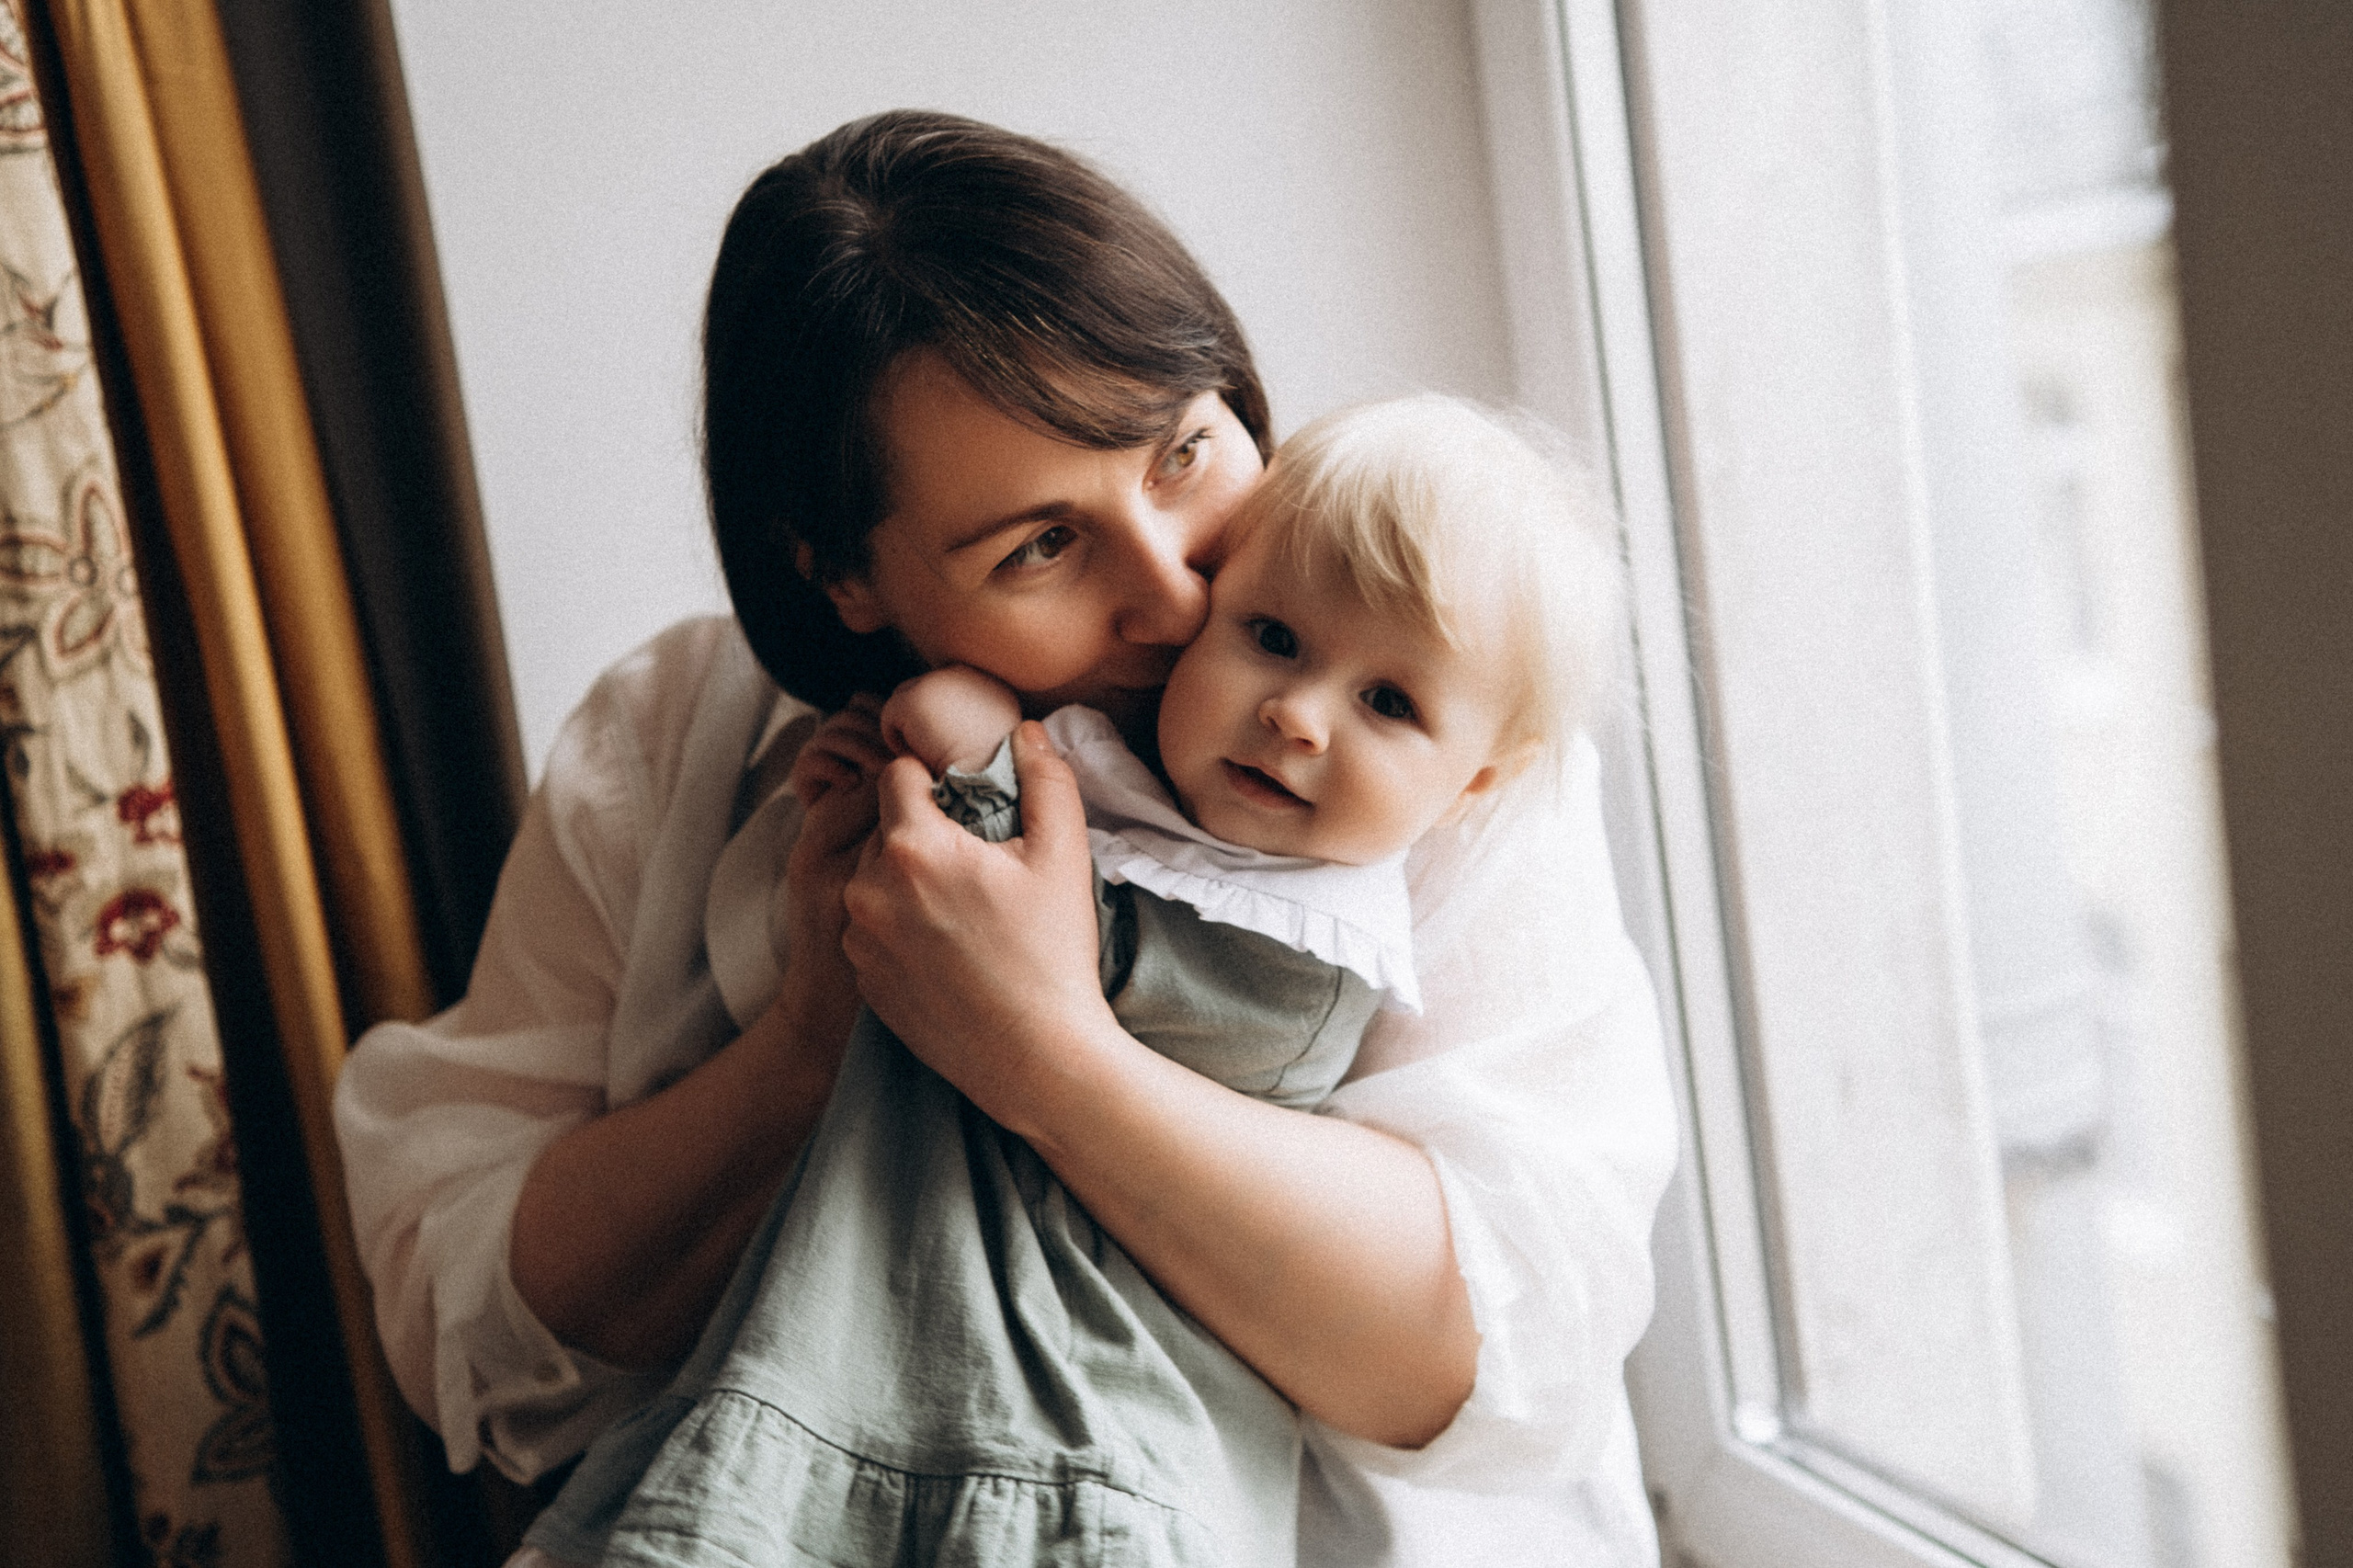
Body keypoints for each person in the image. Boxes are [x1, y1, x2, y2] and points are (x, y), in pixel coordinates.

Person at [332, 110, 1678, 1565]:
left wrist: (1050, 1053)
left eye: (1180, 454)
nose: (1170, 598)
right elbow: (470, 1316)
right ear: (847, 576)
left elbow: (1498, 1345)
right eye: (1040, 546)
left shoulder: (1424, 725)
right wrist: (810, 1035)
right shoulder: (676, 735)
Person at [520, 394, 1617, 1567]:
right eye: (1273, 640)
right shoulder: (695, 724)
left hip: (1095, 1442)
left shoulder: (1318, 922)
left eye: (1387, 703)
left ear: (1475, 781)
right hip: (882, 1372)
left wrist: (976, 767)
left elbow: (1035, 933)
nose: (1296, 714)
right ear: (854, 578)